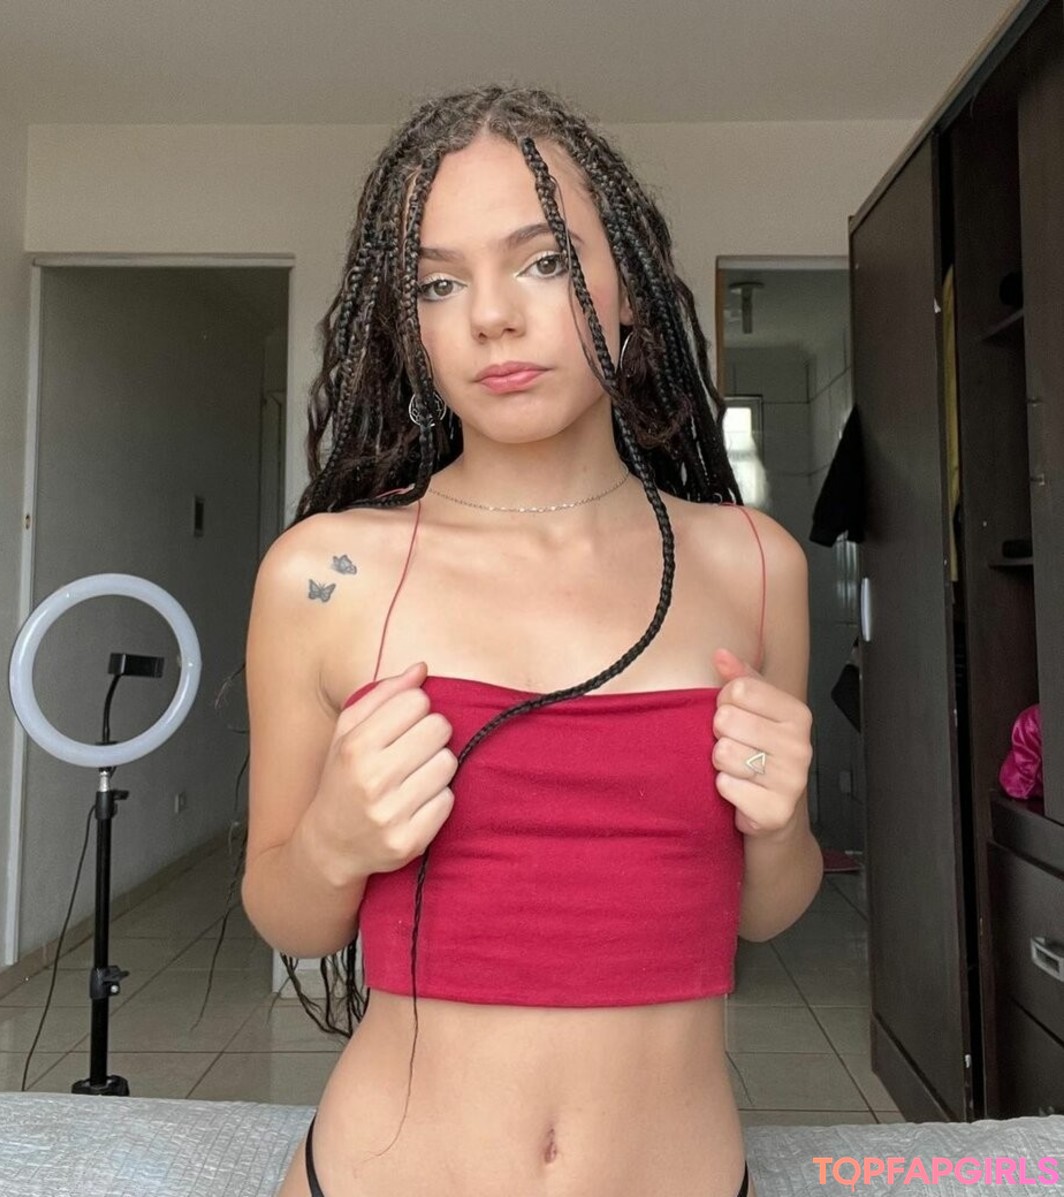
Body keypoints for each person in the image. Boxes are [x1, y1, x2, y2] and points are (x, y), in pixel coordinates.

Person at [241, 84, 822, 1197]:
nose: (491, 317)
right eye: (438, 282)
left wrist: (783, 822)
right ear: (409, 324)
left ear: (631, 288)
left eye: (544, 261)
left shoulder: (754, 564)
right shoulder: (323, 573)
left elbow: (764, 908)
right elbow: (288, 914)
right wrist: (334, 841)